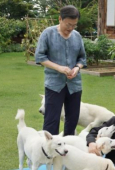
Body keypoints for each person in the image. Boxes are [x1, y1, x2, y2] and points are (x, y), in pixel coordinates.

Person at [35, 5, 86, 136]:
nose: (71, 28)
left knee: (72, 119)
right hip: (54, 84)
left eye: (74, 25)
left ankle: (67, 149)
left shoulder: (77, 36)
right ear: (60, 19)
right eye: (68, 24)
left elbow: (82, 58)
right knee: (51, 119)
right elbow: (40, 57)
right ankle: (48, 151)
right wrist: (59, 68)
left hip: (74, 85)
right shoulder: (48, 33)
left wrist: (77, 68)